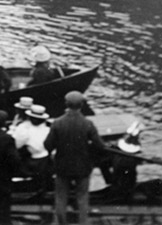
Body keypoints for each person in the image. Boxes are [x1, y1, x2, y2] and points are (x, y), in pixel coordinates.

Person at [44, 91, 106, 225]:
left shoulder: (57, 123)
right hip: (83, 166)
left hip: (62, 166)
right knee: (82, 198)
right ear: (81, 105)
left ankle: (62, 223)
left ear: (66, 104)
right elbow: (100, 146)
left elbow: (48, 145)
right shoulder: (88, 124)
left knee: (60, 198)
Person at [11, 103, 52, 198]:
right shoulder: (47, 128)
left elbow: (17, 145)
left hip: (34, 160)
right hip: (43, 159)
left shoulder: (23, 128)